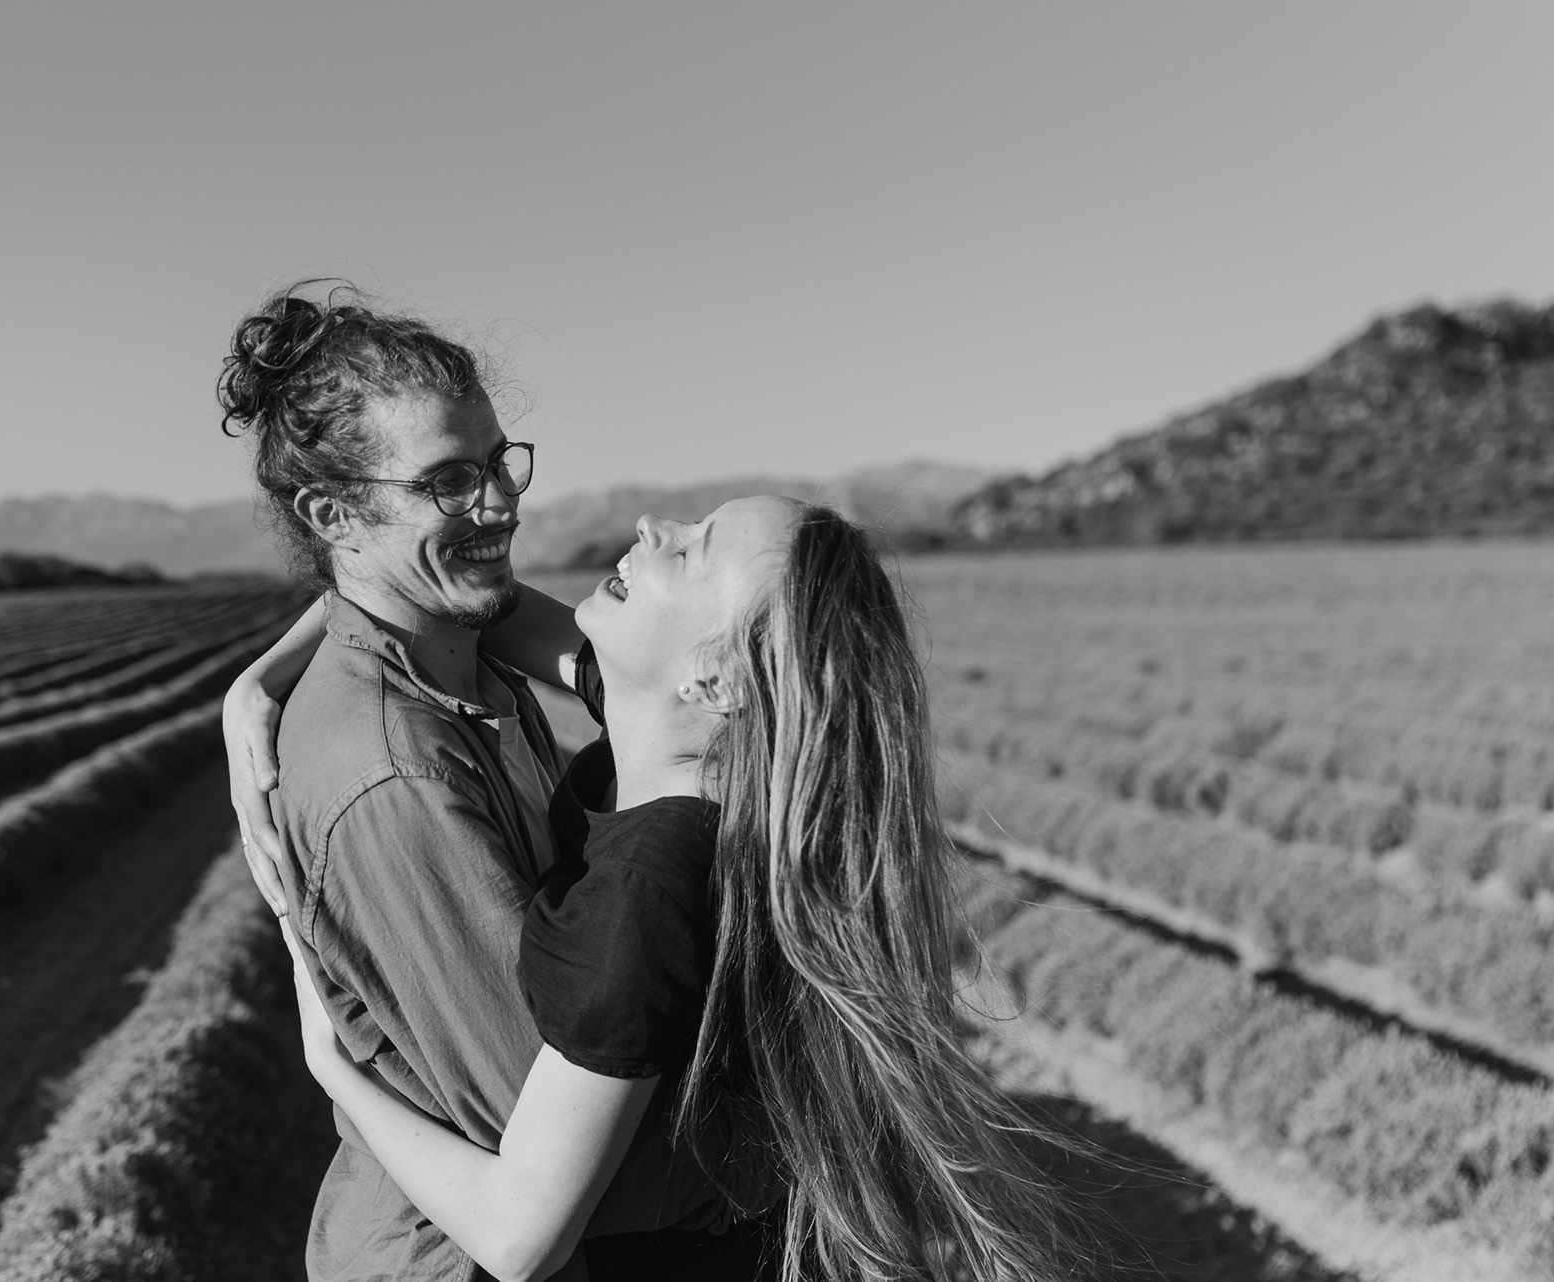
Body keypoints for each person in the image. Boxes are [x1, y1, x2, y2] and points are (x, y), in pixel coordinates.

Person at [232, 490, 1102, 1281]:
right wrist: (262, 676)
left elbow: (517, 1237)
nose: (655, 526)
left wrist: (337, 1071)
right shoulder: (690, 752)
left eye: (692, 550)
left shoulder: (644, 895)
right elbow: (443, 601)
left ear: (714, 678)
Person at [217, 282, 749, 1282]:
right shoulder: (396, 777)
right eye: (450, 480)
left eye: (499, 461)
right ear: (334, 513)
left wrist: (262, 672)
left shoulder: (464, 644)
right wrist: (776, 1141)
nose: (500, 503)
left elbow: (500, 617)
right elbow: (544, 1150)